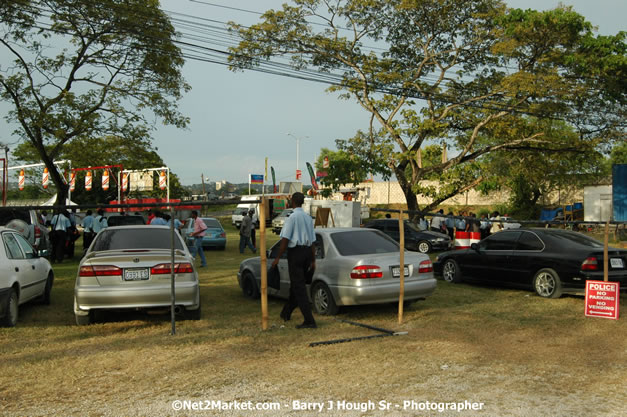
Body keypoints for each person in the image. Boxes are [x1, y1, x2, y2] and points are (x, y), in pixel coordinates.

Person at [271, 192, 317, 329]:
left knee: (299, 287)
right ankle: (286, 313)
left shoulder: (292, 218)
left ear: (292, 202)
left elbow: (285, 239)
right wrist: (313, 260)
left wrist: (278, 257)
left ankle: (309, 321)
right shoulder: (308, 218)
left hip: (296, 253)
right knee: (296, 285)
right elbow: (313, 241)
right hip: (307, 252)